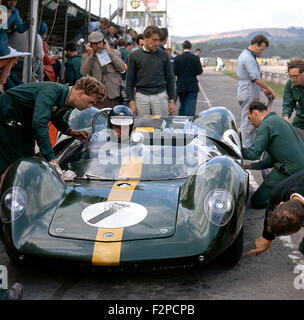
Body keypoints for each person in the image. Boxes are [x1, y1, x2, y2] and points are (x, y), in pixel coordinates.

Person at [0, 76, 106, 177]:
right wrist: (51, 159)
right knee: (12, 161)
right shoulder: (51, 91)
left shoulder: (68, 101)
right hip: (8, 111)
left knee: (28, 158)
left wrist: (71, 131)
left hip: (25, 119)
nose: (90, 106)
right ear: (81, 93)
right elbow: (39, 124)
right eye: (90, 102)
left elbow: (55, 116)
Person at [242, 101, 304, 209]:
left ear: (255, 113)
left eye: (249, 118)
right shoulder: (277, 120)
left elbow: (253, 154)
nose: (250, 122)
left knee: (257, 201)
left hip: (290, 170)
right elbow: (270, 161)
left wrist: (237, 149)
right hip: (299, 169)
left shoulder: (265, 125)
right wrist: (248, 166)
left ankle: (285, 202)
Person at [246, 169, 304, 257]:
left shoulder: (279, 193)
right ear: (281, 203)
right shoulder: (278, 192)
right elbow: (271, 206)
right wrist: (266, 238)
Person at [126, 25, 176, 116]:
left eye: (158, 40)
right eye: (153, 40)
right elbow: (129, 80)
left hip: (160, 96)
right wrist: (131, 101)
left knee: (161, 126)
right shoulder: (134, 56)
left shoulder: (164, 55)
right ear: (145, 38)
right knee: (142, 127)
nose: (157, 43)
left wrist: (172, 100)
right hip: (141, 97)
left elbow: (170, 78)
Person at [236, 34, 276, 148]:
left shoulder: (247, 55)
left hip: (247, 89)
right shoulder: (248, 58)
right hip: (248, 91)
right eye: (261, 49)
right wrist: (269, 89)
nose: (261, 52)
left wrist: (263, 89)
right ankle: (246, 147)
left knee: (250, 120)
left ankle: (248, 144)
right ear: (255, 45)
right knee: (248, 120)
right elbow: (255, 78)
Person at [80, 31, 125, 108]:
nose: (98, 46)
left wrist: (110, 53)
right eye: (95, 44)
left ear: (104, 42)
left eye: (100, 43)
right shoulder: (86, 56)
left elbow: (121, 68)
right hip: (97, 96)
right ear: (90, 45)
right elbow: (84, 72)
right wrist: (90, 56)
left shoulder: (115, 53)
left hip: (113, 95)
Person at [173, 40, 203, 116]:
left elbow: (175, 72)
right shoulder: (195, 58)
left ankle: (181, 121)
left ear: (182, 47)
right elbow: (199, 71)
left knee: (183, 105)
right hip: (192, 85)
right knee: (190, 107)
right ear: (191, 47)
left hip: (181, 85)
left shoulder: (177, 58)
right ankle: (189, 122)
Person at [282, 59, 304, 130]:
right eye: (290, 76)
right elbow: (288, 104)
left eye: (295, 76)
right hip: (301, 117)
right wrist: (286, 117)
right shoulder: (290, 84)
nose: (292, 79)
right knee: (292, 134)